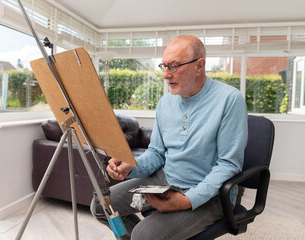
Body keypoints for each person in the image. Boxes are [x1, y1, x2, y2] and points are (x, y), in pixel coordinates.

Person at [90, 35, 248, 240]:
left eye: (173, 66)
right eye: (163, 66)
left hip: (212, 195)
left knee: (144, 235)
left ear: (199, 66)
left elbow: (228, 165)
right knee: (101, 205)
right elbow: (156, 153)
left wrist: (188, 200)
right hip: (166, 180)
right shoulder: (166, 103)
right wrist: (131, 166)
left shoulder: (229, 99)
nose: (165, 75)